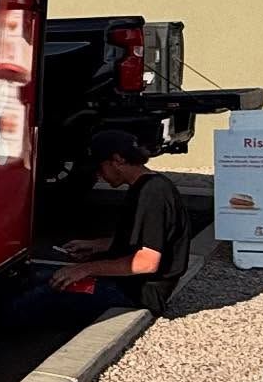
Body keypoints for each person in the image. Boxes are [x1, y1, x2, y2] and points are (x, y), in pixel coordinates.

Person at [50, 129, 191, 317]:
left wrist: (85, 269)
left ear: (118, 160)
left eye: (100, 168)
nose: (99, 176)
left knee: (38, 297)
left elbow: (146, 262)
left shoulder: (153, 193)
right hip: (128, 285)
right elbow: (143, 240)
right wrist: (96, 246)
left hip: (137, 293)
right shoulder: (146, 187)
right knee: (45, 276)